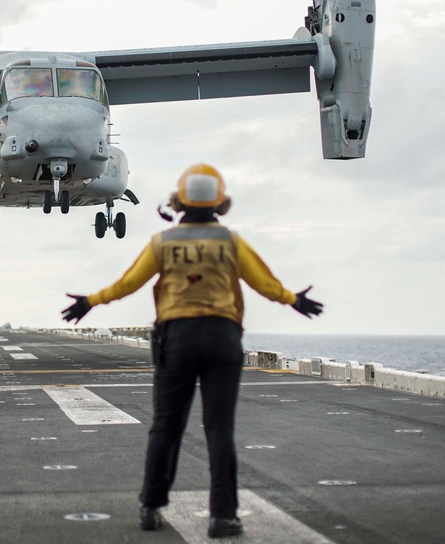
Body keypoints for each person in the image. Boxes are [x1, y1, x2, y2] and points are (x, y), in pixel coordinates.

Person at [61, 163, 323, 538]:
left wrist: (91, 301)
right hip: (222, 337)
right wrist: (293, 299)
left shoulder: (164, 242)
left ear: (179, 201)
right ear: (220, 203)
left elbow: (128, 284)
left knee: (166, 426)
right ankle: (223, 518)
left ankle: (150, 508)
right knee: (219, 428)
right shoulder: (230, 242)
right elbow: (264, 284)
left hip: (177, 340)